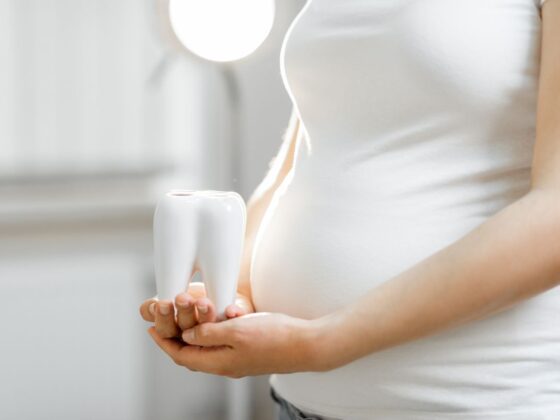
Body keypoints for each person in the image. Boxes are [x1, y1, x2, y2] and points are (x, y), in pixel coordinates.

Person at [140, 1, 560, 418]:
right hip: (299, 404)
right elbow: (307, 155)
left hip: (476, 403)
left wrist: (322, 343)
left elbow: (554, 218)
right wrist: (233, 292)